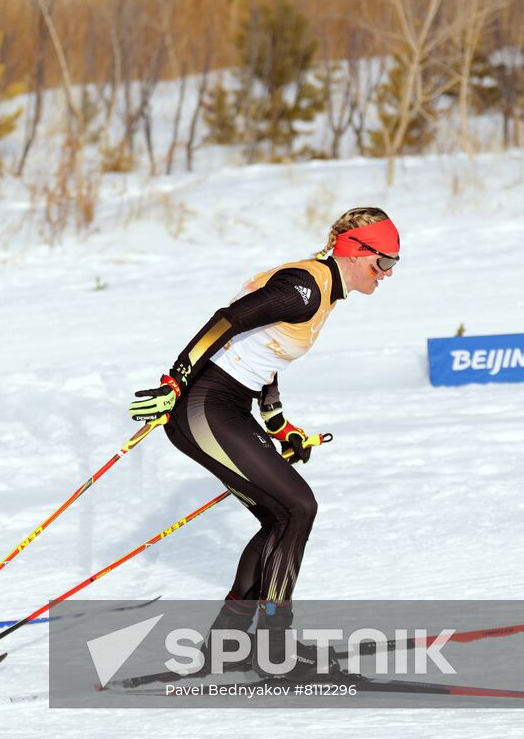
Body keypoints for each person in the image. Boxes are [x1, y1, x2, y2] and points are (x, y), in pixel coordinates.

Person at [128, 207, 400, 677]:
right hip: (204, 407)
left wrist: (278, 424)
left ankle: (225, 648)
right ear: (356, 252)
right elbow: (228, 320)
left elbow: (265, 359)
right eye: (385, 263)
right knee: (298, 507)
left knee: (280, 517)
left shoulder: (325, 291)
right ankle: (276, 650)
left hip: (228, 406)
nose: (387, 274)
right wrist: (175, 380)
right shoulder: (306, 288)